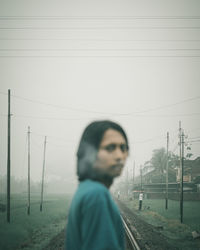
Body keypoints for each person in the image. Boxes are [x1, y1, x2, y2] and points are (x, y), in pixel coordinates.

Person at [65, 120, 129, 250]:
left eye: (123, 148)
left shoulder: (85, 189)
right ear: (89, 153)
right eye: (110, 147)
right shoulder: (96, 194)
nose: (120, 155)